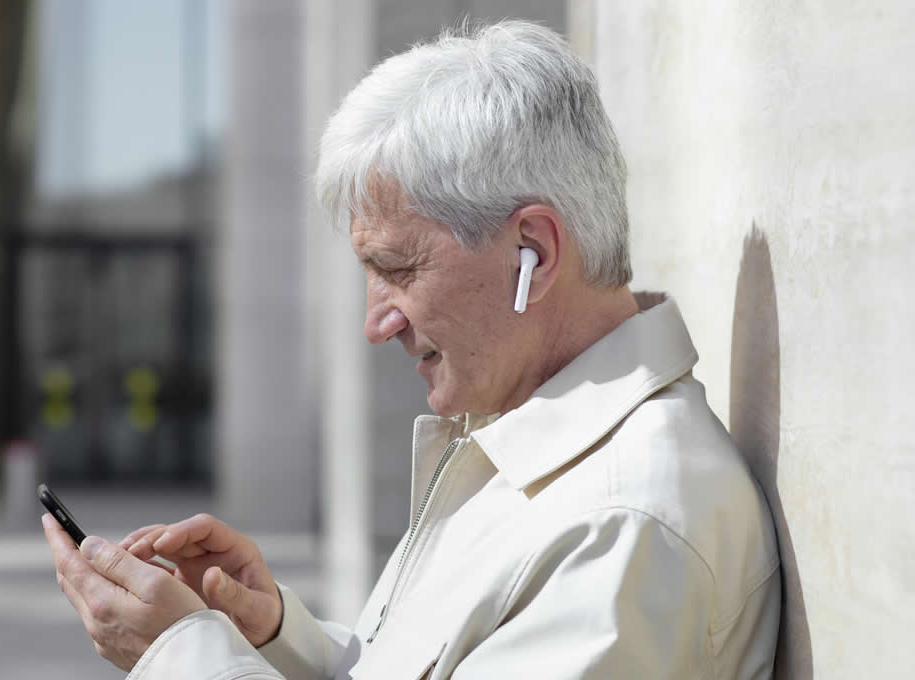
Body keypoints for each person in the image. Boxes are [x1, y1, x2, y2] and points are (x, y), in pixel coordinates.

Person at [42, 20, 781, 679]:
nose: (377, 323)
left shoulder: (623, 525)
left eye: (397, 269)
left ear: (535, 251)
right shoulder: (541, 454)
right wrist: (268, 633)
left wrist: (183, 659)